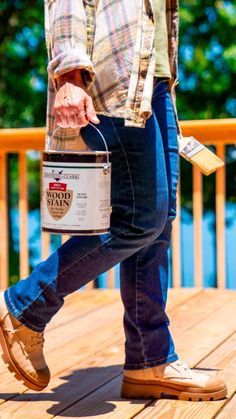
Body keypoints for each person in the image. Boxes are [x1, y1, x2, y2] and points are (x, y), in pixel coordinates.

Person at [0, 0, 227, 401]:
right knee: (139, 220)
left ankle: (149, 360)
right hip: (112, 79)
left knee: (158, 223)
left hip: (153, 83)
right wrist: (69, 73)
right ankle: (25, 306)